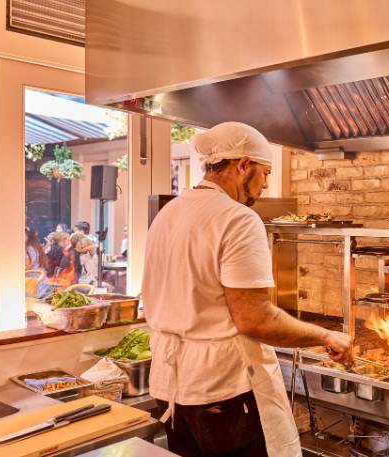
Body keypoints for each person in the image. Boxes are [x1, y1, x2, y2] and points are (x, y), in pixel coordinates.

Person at [141, 122, 352, 457]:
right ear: (242, 165)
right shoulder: (237, 218)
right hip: (221, 390)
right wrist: (326, 336)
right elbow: (255, 319)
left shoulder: (168, 213)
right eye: (265, 173)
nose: (265, 184)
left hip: (170, 387)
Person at [25, 228, 52, 297]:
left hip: (34, 283)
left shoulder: (29, 249)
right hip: (38, 283)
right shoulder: (33, 247)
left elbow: (27, 265)